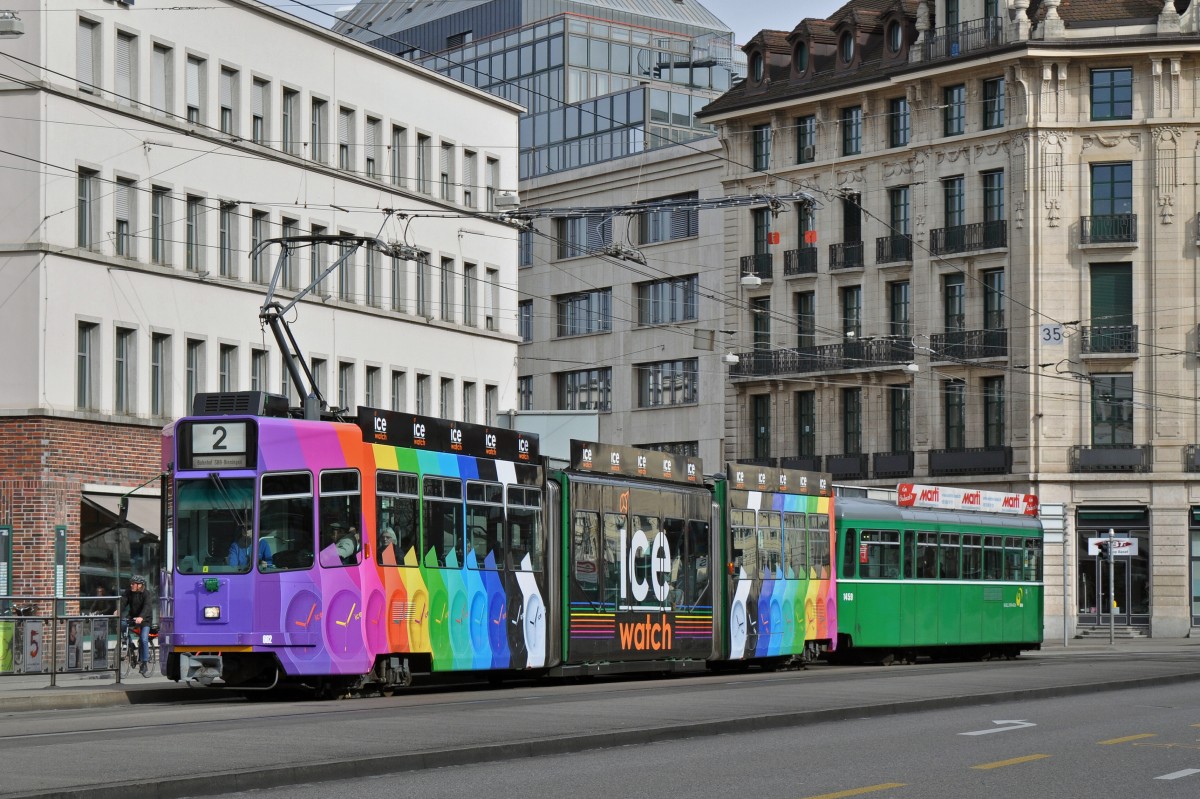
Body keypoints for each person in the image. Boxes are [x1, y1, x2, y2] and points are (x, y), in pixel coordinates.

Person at [121, 575, 153, 677]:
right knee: (122, 623)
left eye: (133, 583)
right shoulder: (128, 592)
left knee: (143, 639)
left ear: (140, 585)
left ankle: (144, 663)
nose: (131, 585)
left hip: (145, 619)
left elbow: (147, 607)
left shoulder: (146, 594)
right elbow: (123, 603)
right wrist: (118, 610)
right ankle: (129, 643)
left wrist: (141, 617)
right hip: (133, 617)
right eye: (131, 583)